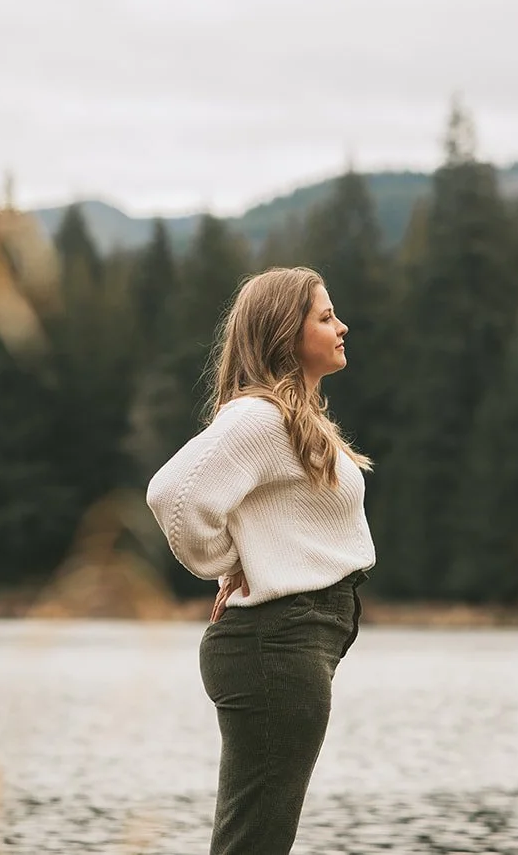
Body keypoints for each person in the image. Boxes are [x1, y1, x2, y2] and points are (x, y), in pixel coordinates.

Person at [146, 266, 375, 855]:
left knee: (256, 840)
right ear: (285, 334)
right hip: (277, 645)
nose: (342, 326)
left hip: (291, 644)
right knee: (255, 842)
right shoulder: (260, 418)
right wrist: (231, 561)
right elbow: (171, 495)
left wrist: (249, 556)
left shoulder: (295, 420)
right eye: (326, 317)